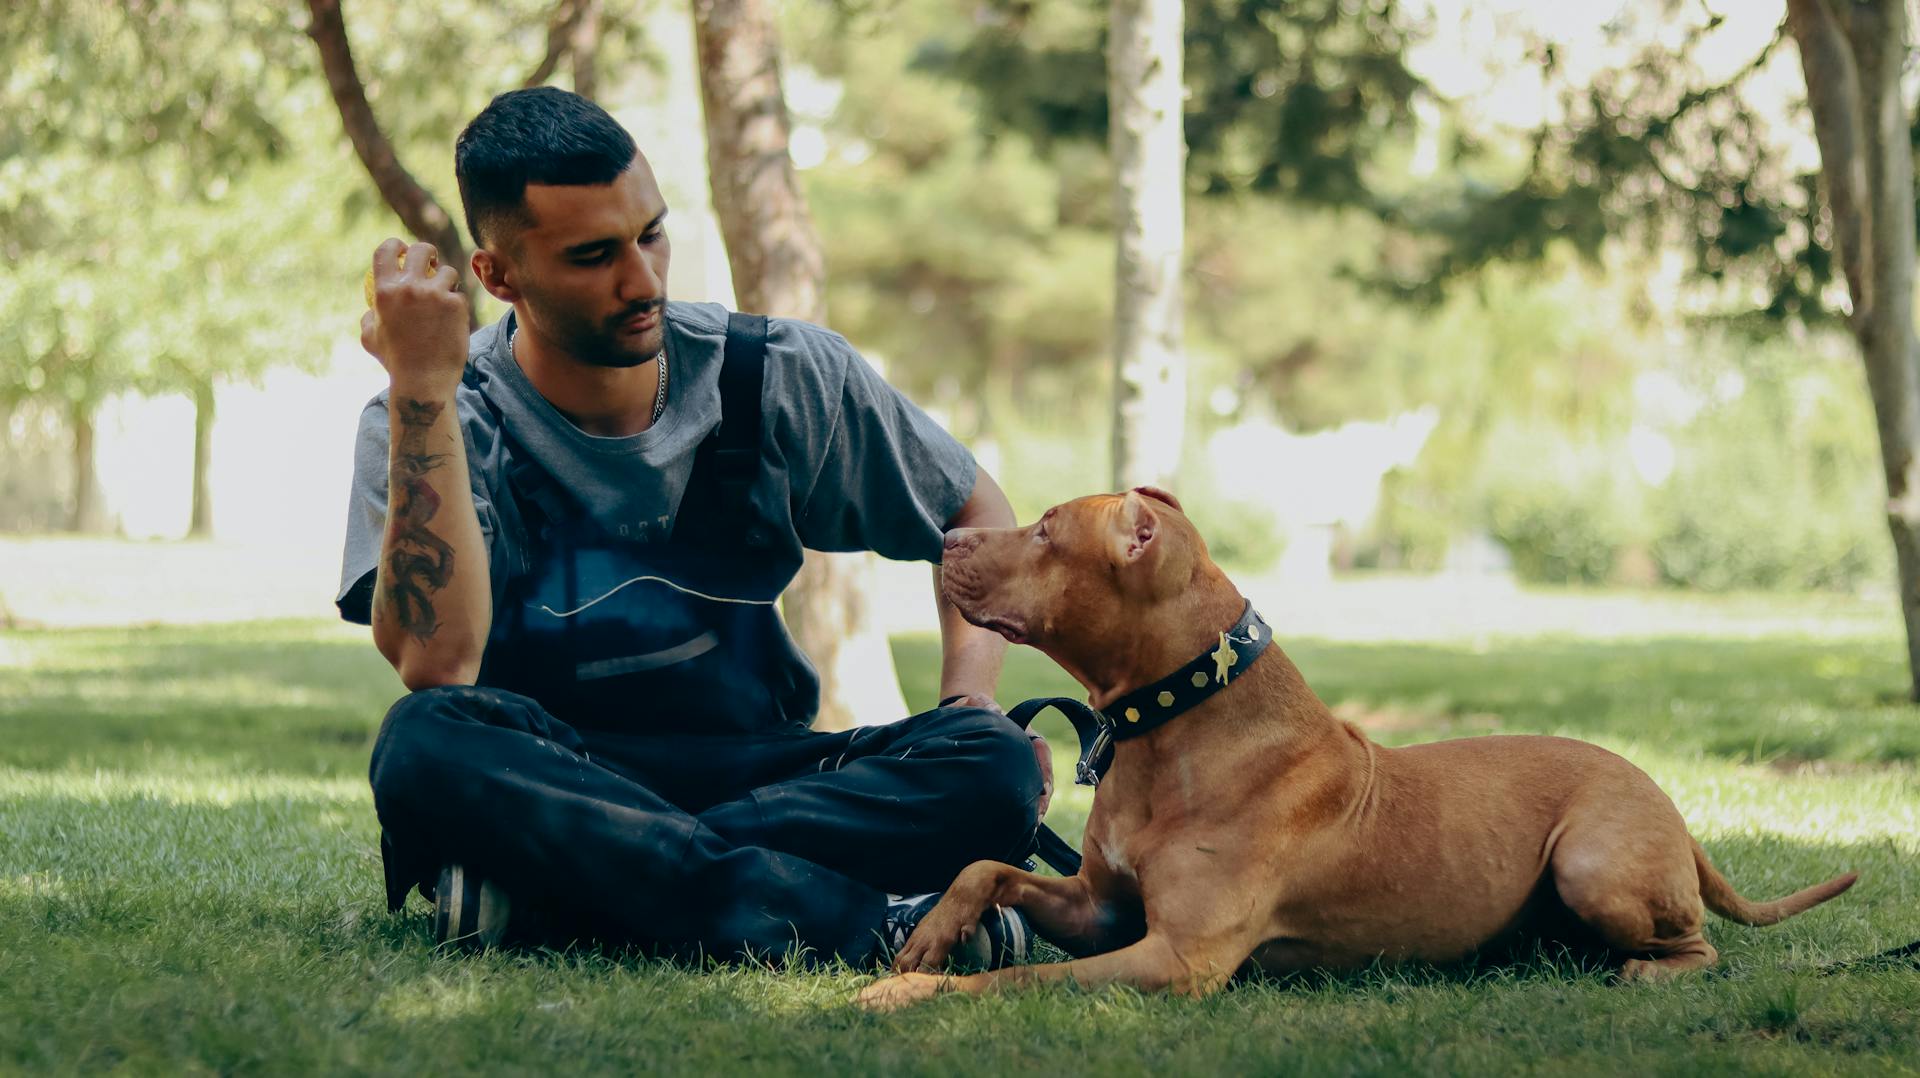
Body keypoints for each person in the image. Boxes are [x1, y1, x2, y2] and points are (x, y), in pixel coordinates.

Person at [335, 87, 1051, 967]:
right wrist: (421, 390)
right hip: (557, 771)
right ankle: (865, 925)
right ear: (499, 277)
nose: (643, 282)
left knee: (993, 762)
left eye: (651, 235)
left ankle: (569, 891)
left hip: (763, 771)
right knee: (424, 745)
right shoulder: (432, 416)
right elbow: (437, 667)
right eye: (595, 256)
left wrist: (969, 696)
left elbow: (972, 514)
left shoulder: (777, 375)